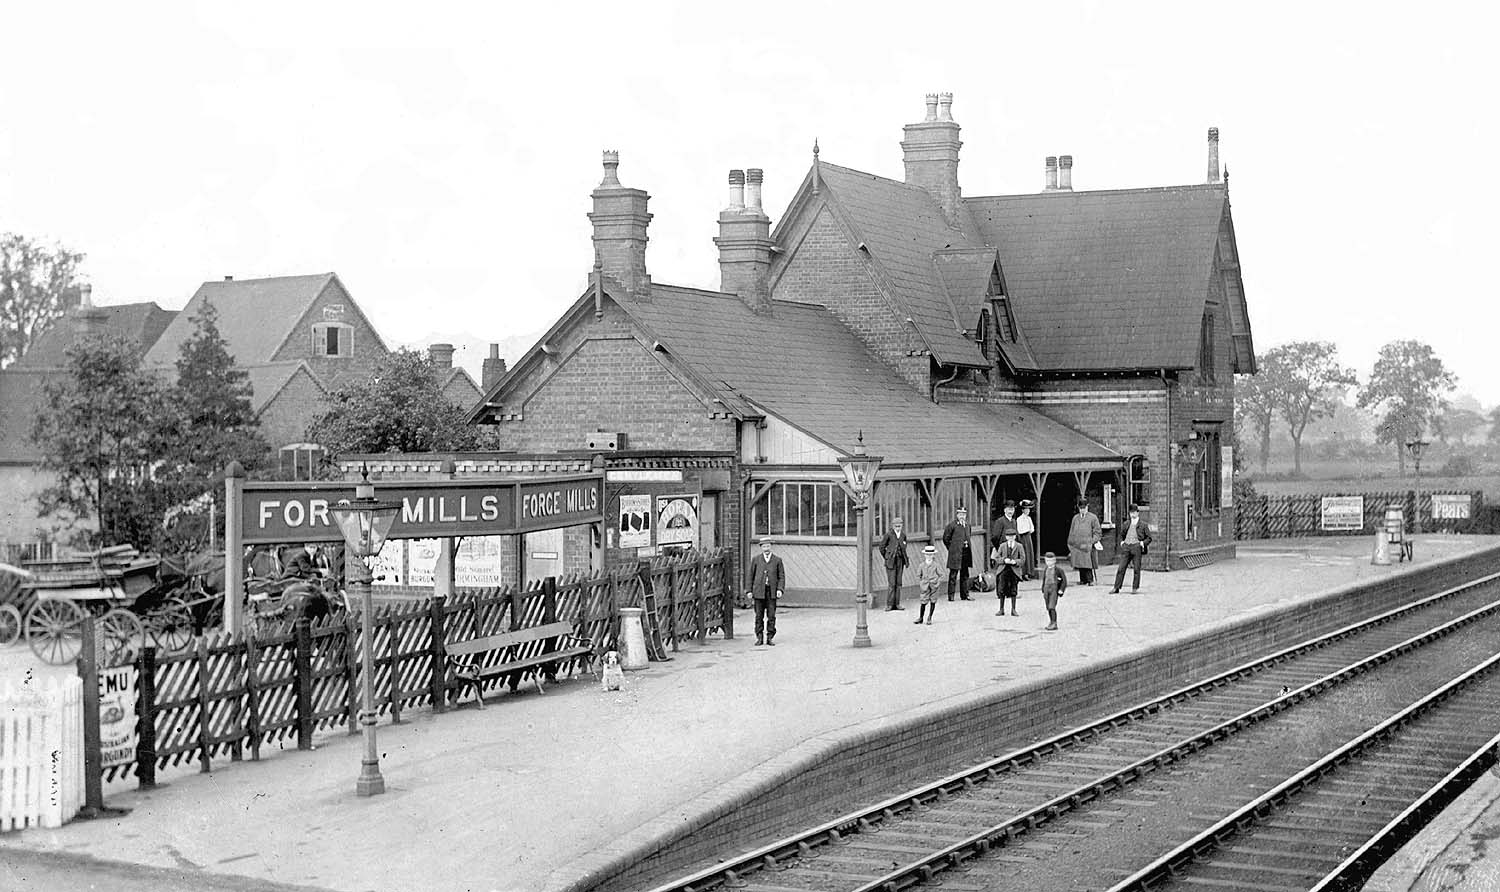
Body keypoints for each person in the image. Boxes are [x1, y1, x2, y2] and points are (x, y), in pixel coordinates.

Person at [745, 538, 785, 646]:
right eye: (764, 546)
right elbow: (750, 576)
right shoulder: (756, 560)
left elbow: (781, 576)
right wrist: (749, 590)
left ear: (771, 546)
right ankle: (759, 637)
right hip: (758, 592)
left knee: (771, 615)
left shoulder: (777, 560)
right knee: (759, 615)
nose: (766, 549)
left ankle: (770, 637)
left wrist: (780, 589)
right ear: (761, 548)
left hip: (771, 592)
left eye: (768, 546)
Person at [1110, 505, 1153, 594]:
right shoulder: (1126, 524)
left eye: (1134, 512)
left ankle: (1135, 588)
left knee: (1136, 568)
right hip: (1127, 547)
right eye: (1131, 513)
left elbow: (1149, 538)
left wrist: (1142, 543)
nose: (1132, 514)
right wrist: (1122, 542)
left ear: (1138, 513)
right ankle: (1116, 587)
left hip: (1137, 547)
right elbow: (1121, 535)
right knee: (1121, 568)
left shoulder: (1143, 525)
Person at [877, 516, 911, 611]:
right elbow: (881, 547)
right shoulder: (888, 535)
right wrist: (887, 557)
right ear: (892, 526)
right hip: (891, 562)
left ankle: (897, 604)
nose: (898, 528)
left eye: (899, 526)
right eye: (896, 526)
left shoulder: (903, 535)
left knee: (898, 582)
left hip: (900, 561)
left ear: (902, 526)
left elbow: (905, 547)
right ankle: (889, 604)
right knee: (892, 583)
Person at [1066, 499, 1103, 585]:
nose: (1082, 509)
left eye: (1084, 507)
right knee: (1079, 562)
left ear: (1087, 507)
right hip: (1077, 544)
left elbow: (1097, 531)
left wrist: (1093, 541)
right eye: (1081, 508)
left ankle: (1090, 580)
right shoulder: (1075, 518)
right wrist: (1071, 543)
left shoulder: (1093, 518)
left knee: (1087, 562)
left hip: (1087, 544)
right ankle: (1083, 580)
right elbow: (1072, 531)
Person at [942, 506, 973, 601]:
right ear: (957, 515)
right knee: (953, 575)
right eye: (960, 514)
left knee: (965, 574)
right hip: (955, 553)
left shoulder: (968, 525)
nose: (962, 516)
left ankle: (965, 595)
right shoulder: (952, 525)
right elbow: (946, 539)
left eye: (964, 514)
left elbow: (969, 536)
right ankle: (951, 596)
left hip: (966, 552)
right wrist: (952, 549)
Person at [994, 530, 1025, 617]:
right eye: (1009, 536)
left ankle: (1013, 609)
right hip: (1004, 569)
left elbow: (1023, 559)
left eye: (1012, 536)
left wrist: (1015, 562)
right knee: (1002, 589)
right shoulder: (1002, 546)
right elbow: (997, 558)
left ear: (1015, 537)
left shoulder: (1019, 546)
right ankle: (1001, 609)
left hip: (1014, 570)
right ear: (1006, 537)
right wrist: (1004, 560)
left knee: (1014, 589)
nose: (1010, 538)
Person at [1039, 551, 1068, 631]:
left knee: (1052, 606)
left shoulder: (1059, 570)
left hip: (1054, 589)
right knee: (1048, 607)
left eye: (1051, 561)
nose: (1049, 563)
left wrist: (1061, 589)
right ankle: (1051, 621)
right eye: (1047, 561)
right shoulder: (1046, 569)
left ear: (1054, 561)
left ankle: (1054, 622)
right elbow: (1044, 579)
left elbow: (1064, 581)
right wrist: (1043, 588)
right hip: (1046, 589)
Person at [915, 545, 942, 625]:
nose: (929, 556)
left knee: (933, 601)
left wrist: (937, 583)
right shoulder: (921, 565)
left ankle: (930, 617)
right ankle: (921, 617)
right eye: (927, 555)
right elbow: (918, 575)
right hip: (925, 587)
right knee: (923, 602)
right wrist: (921, 583)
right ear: (925, 555)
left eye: (931, 555)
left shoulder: (936, 565)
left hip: (934, 586)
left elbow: (941, 575)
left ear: (933, 555)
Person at [1016, 500, 1037, 580]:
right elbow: (1020, 530)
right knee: (1023, 554)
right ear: (1022, 510)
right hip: (1022, 538)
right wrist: (1026, 529)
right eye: (1026, 509)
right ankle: (1022, 573)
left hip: (1028, 537)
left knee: (1029, 554)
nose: (1028, 511)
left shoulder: (1029, 518)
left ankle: (1029, 572)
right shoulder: (1019, 519)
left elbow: (1032, 529)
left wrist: (1029, 529)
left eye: (1028, 509)